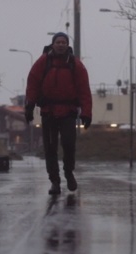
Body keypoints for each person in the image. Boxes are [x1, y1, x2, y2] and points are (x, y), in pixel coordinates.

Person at [24, 32, 93, 195]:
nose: (61, 45)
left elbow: (84, 90)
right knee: (50, 148)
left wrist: (86, 113)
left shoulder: (76, 65)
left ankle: (69, 173)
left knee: (69, 145)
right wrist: (29, 106)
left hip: (68, 112)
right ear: (53, 44)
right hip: (48, 112)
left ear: (67, 45)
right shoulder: (43, 62)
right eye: (58, 42)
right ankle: (54, 181)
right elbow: (33, 83)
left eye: (63, 42)